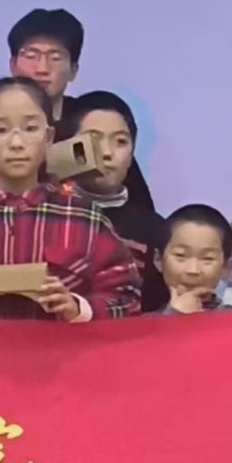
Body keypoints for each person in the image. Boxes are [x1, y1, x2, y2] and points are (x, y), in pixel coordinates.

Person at [0, 77, 140, 321]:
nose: (16, 143)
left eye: (30, 128)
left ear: (49, 137)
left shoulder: (86, 219)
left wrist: (79, 308)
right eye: (1, 130)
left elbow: (126, 296)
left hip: (62, 346)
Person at [0, 9, 84, 206]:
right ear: (13, 65)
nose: (42, 69)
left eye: (55, 57)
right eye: (31, 55)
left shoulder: (89, 127)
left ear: (73, 69)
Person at [66, 90, 166, 312]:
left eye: (120, 142)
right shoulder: (46, 215)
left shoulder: (155, 230)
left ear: (131, 155)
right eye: (93, 139)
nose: (107, 153)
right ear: (69, 146)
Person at [153, 204, 232, 315]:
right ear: (158, 260)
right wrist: (174, 314)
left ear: (226, 266)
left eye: (207, 258)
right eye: (181, 255)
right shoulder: (142, 323)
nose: (193, 270)